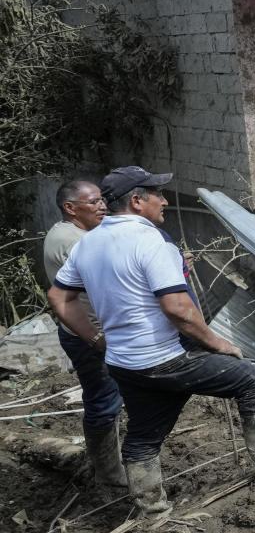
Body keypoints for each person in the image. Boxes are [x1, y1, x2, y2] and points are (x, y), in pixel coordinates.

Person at [48, 166, 255, 519]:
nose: (165, 201)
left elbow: (58, 295)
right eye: (158, 194)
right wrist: (217, 342)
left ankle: (153, 511)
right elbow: (177, 309)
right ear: (136, 201)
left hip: (125, 362)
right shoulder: (150, 241)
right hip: (164, 359)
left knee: (143, 437)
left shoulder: (90, 243)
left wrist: (97, 339)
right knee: (254, 382)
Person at [42, 180, 126, 488]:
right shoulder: (75, 241)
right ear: (71, 208)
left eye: (102, 200)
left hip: (88, 330)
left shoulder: (76, 234)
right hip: (88, 334)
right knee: (103, 399)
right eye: (94, 202)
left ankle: (112, 463)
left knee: (108, 395)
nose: (102, 206)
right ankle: (109, 474)